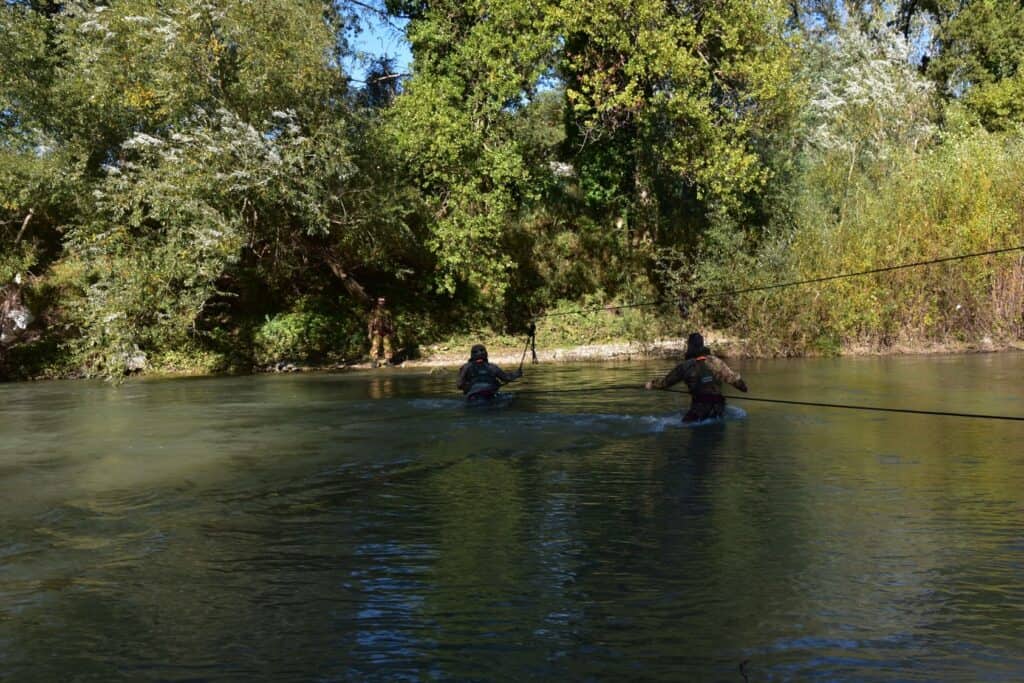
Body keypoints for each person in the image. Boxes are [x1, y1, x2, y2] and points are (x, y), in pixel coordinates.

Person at [645, 332, 748, 422]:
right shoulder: (716, 361)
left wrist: (651, 384)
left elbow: (664, 383)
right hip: (718, 407)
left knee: (685, 424)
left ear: (690, 346)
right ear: (702, 345)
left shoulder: (685, 366)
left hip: (699, 408)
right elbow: (733, 378)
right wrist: (743, 388)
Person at [457, 344, 522, 401]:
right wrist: (517, 374)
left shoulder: (465, 367)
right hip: (490, 395)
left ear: (472, 355)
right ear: (486, 354)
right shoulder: (492, 367)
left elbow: (459, 385)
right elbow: (507, 378)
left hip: (474, 396)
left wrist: (466, 388)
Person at [367, 296, 395, 367]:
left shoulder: (387, 312)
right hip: (377, 332)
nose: (381, 302)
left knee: (388, 346)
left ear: (384, 302)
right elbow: (370, 323)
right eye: (380, 301)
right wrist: (370, 333)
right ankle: (374, 361)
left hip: (386, 332)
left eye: (383, 301)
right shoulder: (374, 311)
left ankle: (388, 361)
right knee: (375, 347)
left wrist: (392, 332)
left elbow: (391, 323)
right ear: (378, 302)